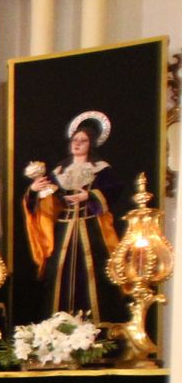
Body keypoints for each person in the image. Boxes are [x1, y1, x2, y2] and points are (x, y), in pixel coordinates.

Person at [22, 111, 121, 323]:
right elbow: (45, 201)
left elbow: (114, 189)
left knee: (94, 273)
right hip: (63, 229)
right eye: (75, 140)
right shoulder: (59, 170)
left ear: (91, 144)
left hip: (91, 228)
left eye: (82, 141)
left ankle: (96, 326)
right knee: (59, 272)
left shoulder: (100, 169)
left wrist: (89, 195)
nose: (77, 144)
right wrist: (35, 190)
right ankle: (57, 326)